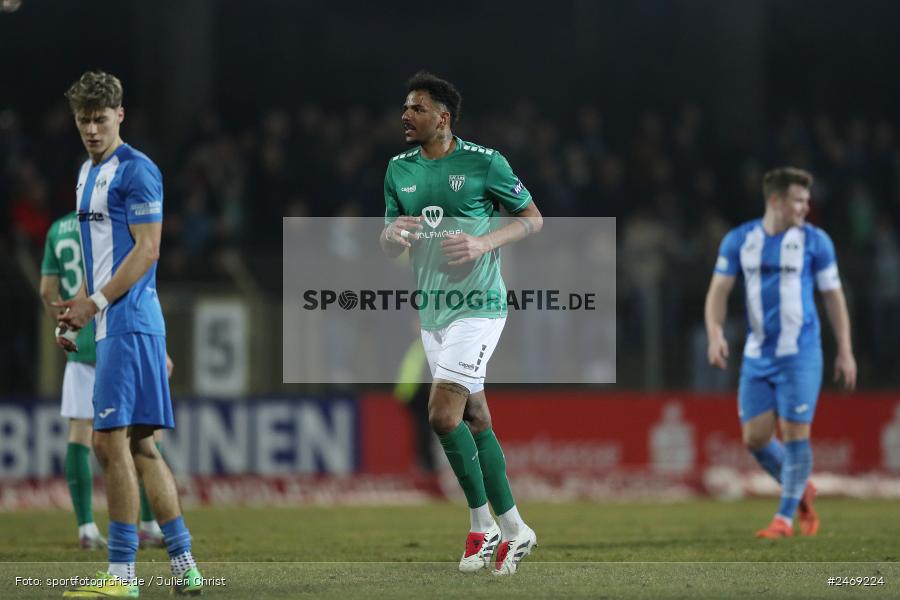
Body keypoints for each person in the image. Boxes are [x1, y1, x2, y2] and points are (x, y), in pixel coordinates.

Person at [381, 71, 543, 575]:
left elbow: (533, 218)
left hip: (479, 307)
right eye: (406, 107)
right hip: (433, 313)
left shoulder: (484, 162)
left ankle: (481, 527)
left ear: (443, 118)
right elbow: (389, 241)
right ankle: (515, 529)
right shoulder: (397, 170)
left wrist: (482, 242)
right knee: (475, 419)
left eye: (417, 108)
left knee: (442, 414)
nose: (406, 115)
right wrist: (391, 237)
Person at [54, 70, 203, 597]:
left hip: (129, 321)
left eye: (100, 118)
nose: (92, 129)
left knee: (106, 441)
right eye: (83, 120)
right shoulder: (84, 173)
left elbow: (147, 250)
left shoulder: (137, 171)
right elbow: (101, 258)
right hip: (117, 323)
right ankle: (185, 567)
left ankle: (120, 577)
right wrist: (78, 312)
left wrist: (94, 306)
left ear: (120, 115)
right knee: (140, 446)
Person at [705, 166, 857, 538]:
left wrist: (845, 350)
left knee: (793, 433)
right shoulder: (740, 240)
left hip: (800, 354)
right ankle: (799, 487)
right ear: (776, 200)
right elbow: (718, 291)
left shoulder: (815, 241)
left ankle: (784, 518)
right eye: (799, 200)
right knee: (755, 439)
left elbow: (833, 297)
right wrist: (715, 333)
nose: (806, 207)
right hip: (758, 355)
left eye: (807, 200)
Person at [40, 212, 167, 551]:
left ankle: (86, 528)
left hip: (80, 345)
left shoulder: (57, 228)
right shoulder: (106, 224)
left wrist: (66, 325)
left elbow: (46, 290)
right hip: (118, 335)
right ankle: (150, 525)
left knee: (80, 434)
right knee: (144, 433)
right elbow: (130, 277)